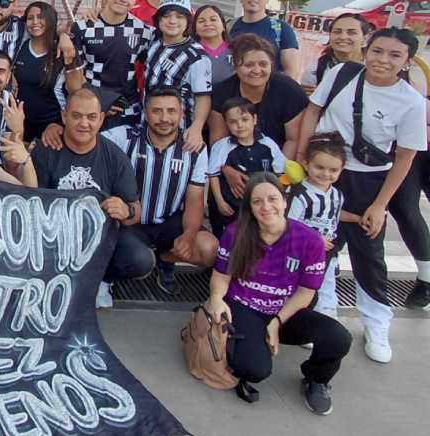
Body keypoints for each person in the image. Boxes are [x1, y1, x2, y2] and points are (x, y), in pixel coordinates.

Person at [296, 28, 428, 362]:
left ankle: (376, 322)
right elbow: (313, 110)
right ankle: (323, 310)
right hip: (323, 172)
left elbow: (405, 157)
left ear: (407, 62)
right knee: (318, 246)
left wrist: (380, 205)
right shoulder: (343, 73)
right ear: (366, 50)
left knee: (368, 252)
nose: (383, 60)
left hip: (368, 181)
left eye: (394, 55)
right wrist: (301, 156)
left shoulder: (411, 102)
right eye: (378, 51)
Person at [206, 173, 351, 415]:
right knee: (254, 371)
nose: (266, 207)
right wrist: (216, 299)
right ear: (250, 208)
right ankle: (241, 344)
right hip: (245, 306)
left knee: (338, 338)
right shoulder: (235, 233)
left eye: (272, 199)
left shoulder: (310, 240)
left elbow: (307, 292)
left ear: (285, 201)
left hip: (286, 309)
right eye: (257, 202)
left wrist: (277, 322)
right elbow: (221, 276)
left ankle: (316, 379)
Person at [30, 88, 145, 308]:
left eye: (92, 117)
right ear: (64, 116)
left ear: (101, 118)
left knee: (139, 257)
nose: (84, 123)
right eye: (77, 116)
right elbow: (32, 205)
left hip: (99, 239)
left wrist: (126, 210)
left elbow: (135, 210)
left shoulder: (115, 156)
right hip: (56, 236)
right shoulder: (46, 150)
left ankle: (102, 281)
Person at [101, 88, 216, 296]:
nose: (165, 118)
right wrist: (54, 129)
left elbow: (195, 199)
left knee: (209, 249)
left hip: (168, 222)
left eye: (171, 111)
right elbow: (85, 136)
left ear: (181, 112)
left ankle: (166, 258)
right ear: (145, 112)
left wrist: (188, 236)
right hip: (129, 224)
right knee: (138, 260)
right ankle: (107, 278)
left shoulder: (194, 147)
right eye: (157, 111)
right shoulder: (123, 137)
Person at [208, 34, 306, 198]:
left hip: (274, 165)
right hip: (233, 165)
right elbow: (218, 140)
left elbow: (293, 139)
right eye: (248, 65)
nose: (256, 70)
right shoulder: (222, 92)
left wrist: (275, 178)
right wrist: (226, 169)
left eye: (263, 64)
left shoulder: (288, 90)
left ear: (272, 65)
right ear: (236, 66)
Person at [287, 134, 357, 319]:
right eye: (319, 167)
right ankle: (300, 324)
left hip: (326, 252)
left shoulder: (336, 194)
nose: (326, 174)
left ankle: (326, 321)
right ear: (306, 163)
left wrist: (358, 219)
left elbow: (335, 214)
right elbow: (290, 224)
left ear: (342, 170)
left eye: (333, 170)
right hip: (300, 252)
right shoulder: (300, 194)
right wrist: (315, 239)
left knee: (326, 286)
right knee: (300, 289)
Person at [68, 0, 153, 129]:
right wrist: (62, 34)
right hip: (92, 110)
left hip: (129, 111)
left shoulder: (145, 32)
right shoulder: (81, 28)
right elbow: (75, 76)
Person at [207, 97, 286, 238]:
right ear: (226, 123)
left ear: (254, 119)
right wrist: (220, 202)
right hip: (231, 206)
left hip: (260, 206)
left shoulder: (268, 144)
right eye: (233, 122)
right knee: (229, 238)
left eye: (245, 119)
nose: (240, 125)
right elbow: (213, 175)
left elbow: (279, 174)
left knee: (257, 238)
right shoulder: (222, 146)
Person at [143, 0, 210, 152]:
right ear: (159, 20)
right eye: (166, 16)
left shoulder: (197, 56)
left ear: (188, 21)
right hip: (147, 126)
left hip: (180, 132)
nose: (172, 21)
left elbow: (203, 97)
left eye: (179, 16)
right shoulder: (153, 40)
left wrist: (196, 128)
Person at [14, 2, 85, 141]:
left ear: (51, 19)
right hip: (22, 125)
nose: (35, 22)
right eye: (30, 18)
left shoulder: (63, 50)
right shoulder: (20, 47)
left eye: (41, 17)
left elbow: (76, 90)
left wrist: (63, 37)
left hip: (52, 128)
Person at [228, 0, 301, 81]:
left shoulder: (281, 29)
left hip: (270, 90)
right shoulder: (230, 26)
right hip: (234, 90)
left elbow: (291, 72)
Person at [300, 13, 371, 94]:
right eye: (337, 32)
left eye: (351, 33)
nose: (343, 37)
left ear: (364, 39)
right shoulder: (315, 70)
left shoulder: (373, 69)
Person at [192, 5, 234, 86]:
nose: (207, 24)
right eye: (201, 21)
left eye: (213, 20)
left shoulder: (236, 50)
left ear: (223, 26)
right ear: (195, 29)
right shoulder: (190, 52)